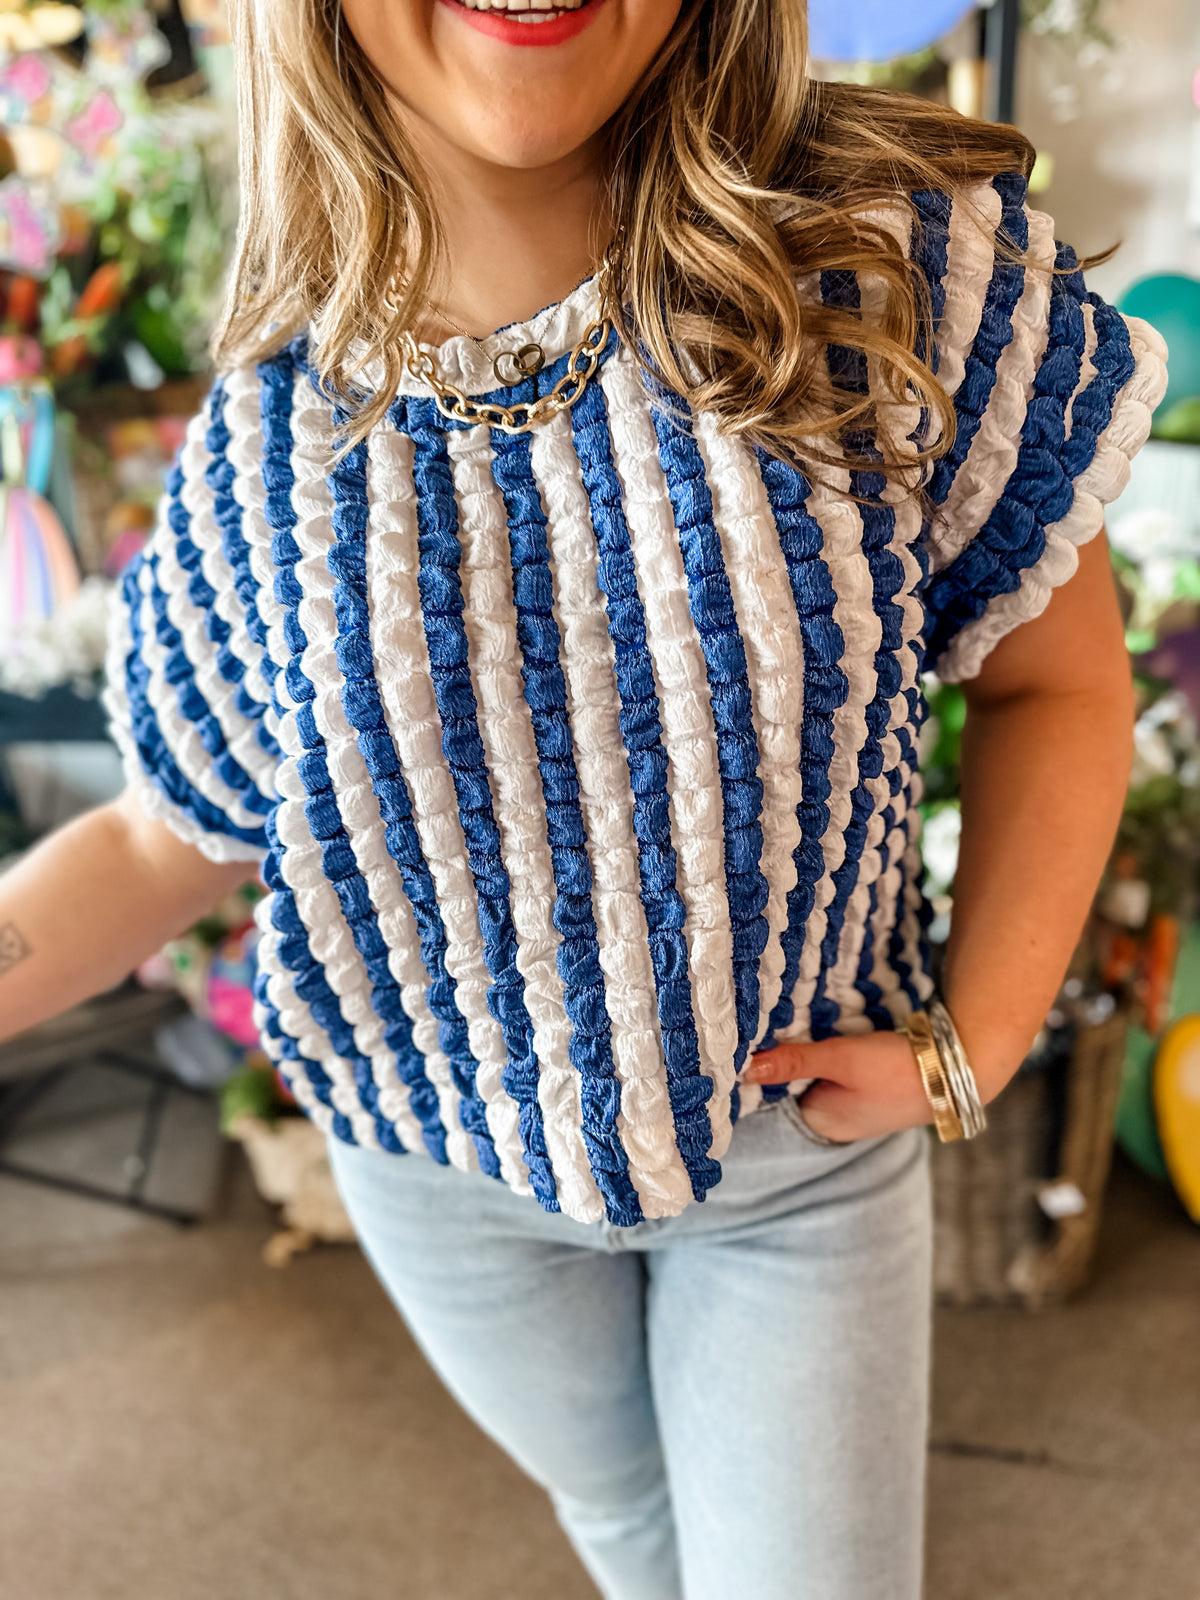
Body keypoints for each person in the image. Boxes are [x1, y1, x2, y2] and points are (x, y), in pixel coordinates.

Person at [0, 2, 1167, 1596]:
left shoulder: (893, 271)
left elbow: (1058, 684)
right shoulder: (266, 444)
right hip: (435, 1177)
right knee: (633, 1531)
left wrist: (980, 1040)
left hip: (792, 1165)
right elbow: (167, 828)